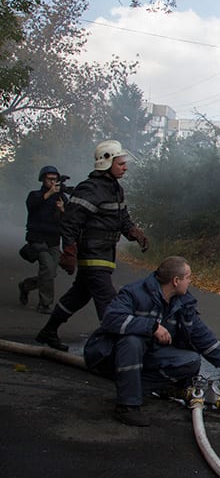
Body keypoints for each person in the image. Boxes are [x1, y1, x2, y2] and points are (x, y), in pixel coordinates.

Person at [84, 256, 220, 427]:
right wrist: (152, 327)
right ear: (176, 280)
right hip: (114, 357)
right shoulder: (135, 292)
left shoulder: (183, 302)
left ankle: (140, 387)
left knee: (190, 361)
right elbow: (111, 319)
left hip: (149, 356)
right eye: (188, 277)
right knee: (132, 341)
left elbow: (200, 333)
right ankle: (127, 406)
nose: (190, 281)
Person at [34, 140, 149, 352]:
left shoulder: (115, 189)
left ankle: (49, 331)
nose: (125, 167)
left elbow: (122, 219)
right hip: (92, 254)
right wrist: (69, 250)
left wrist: (134, 232)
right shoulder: (90, 189)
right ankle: (115, 349)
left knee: (79, 295)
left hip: (104, 254)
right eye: (120, 163)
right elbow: (70, 221)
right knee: (109, 301)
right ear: (106, 163)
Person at [18, 166, 68, 314]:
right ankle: (45, 304)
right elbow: (32, 207)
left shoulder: (61, 198)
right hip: (37, 239)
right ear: (43, 179)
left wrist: (63, 210)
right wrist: (48, 194)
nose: (52, 182)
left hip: (53, 240)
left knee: (51, 272)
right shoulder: (35, 195)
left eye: (55, 179)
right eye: (49, 179)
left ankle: (26, 285)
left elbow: (69, 220)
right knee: (47, 266)